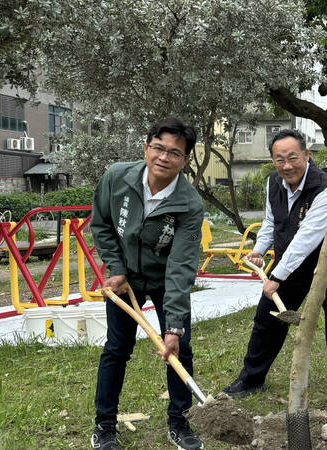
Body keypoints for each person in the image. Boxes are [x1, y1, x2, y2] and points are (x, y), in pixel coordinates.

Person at [222, 129, 327, 407]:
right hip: (288, 259)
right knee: (267, 317)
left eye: (292, 158)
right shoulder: (274, 183)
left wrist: (276, 277)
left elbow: (307, 238)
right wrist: (259, 249)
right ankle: (252, 379)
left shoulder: (326, 188)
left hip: (323, 260)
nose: (286, 166)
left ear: (306, 156)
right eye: (279, 160)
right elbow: (270, 221)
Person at [90, 118, 204, 450]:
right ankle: (105, 426)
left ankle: (180, 422)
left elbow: (181, 264)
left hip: (166, 278)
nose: (164, 157)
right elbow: (102, 224)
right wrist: (116, 267)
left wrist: (174, 327)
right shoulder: (117, 177)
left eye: (174, 152)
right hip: (125, 278)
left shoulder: (189, 204)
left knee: (179, 349)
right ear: (146, 147)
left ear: (184, 160)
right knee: (116, 349)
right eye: (158, 148)